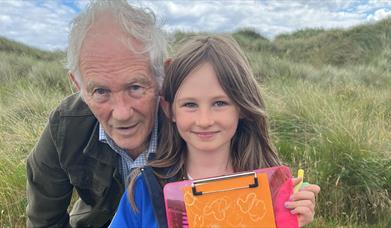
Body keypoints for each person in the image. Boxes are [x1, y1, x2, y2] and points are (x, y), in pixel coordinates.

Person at [110, 35, 321, 227]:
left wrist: (291, 220)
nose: (204, 120)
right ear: (169, 110)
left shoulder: (272, 187)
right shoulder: (144, 189)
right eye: (190, 105)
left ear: (242, 107)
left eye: (220, 103)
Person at [26, 0, 167, 227]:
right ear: (77, 85)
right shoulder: (64, 128)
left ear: (162, 76)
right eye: (100, 91)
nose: (121, 113)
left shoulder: (196, 120)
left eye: (135, 87)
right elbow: (45, 221)